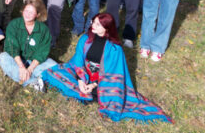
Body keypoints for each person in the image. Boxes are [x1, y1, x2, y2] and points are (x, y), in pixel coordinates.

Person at [43, 13, 172, 123]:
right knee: (55, 73)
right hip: (84, 72)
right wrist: (81, 80)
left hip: (103, 78)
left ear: (107, 28)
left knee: (113, 94)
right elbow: (78, 61)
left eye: (98, 24)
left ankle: (93, 93)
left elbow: (113, 73)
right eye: (93, 22)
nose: (93, 25)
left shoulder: (115, 49)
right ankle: (87, 92)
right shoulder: (85, 38)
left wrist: (93, 85)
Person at [0, 0, 57, 91]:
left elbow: (42, 52)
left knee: (54, 65)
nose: (28, 14)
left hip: (34, 63)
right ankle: (33, 81)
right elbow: (12, 47)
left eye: (32, 12)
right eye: (26, 10)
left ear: (37, 14)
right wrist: (21, 67)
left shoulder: (43, 29)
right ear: (22, 10)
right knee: (2, 57)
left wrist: (30, 69)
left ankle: (24, 76)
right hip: (17, 60)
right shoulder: (13, 25)